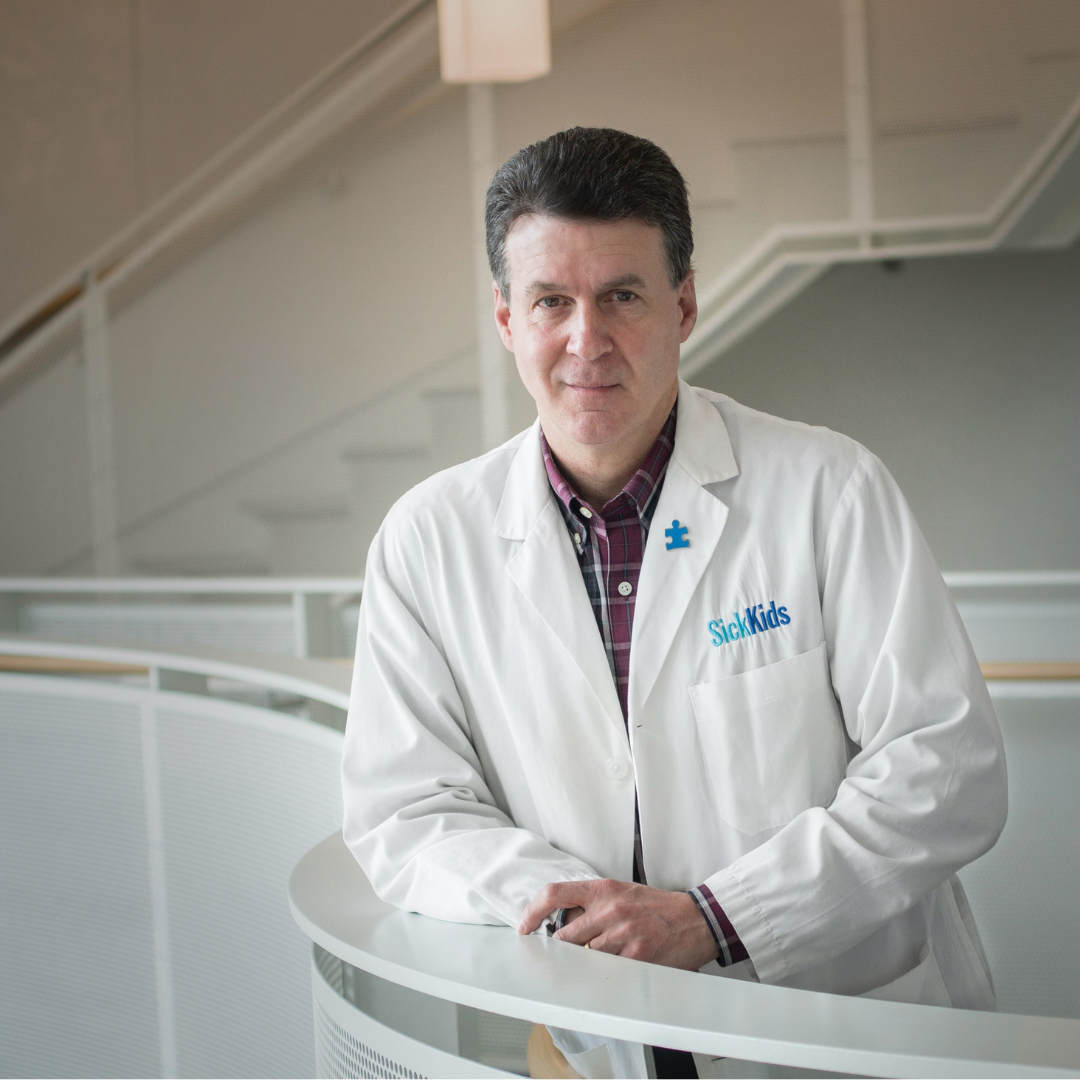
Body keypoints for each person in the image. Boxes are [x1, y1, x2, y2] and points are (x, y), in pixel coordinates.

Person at [341, 127, 1007, 1079]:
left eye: (622, 296)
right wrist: (585, 912)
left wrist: (716, 919)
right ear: (505, 321)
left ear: (684, 303)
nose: (587, 340)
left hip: (840, 1040)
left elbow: (948, 767)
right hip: (600, 1048)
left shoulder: (829, 489)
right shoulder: (427, 541)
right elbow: (403, 811)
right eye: (550, 303)